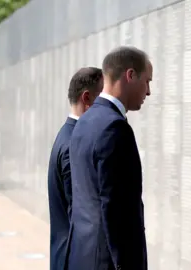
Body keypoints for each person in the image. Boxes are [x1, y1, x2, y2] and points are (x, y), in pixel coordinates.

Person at [68, 46, 152, 270]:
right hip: (107, 262)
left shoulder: (84, 121)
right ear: (130, 75)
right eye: (147, 81)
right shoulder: (114, 127)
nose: (149, 91)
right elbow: (117, 211)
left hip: (82, 256)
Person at [47, 67, 104, 270]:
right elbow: (81, 218)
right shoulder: (74, 144)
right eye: (102, 99)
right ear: (87, 98)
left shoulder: (68, 135)